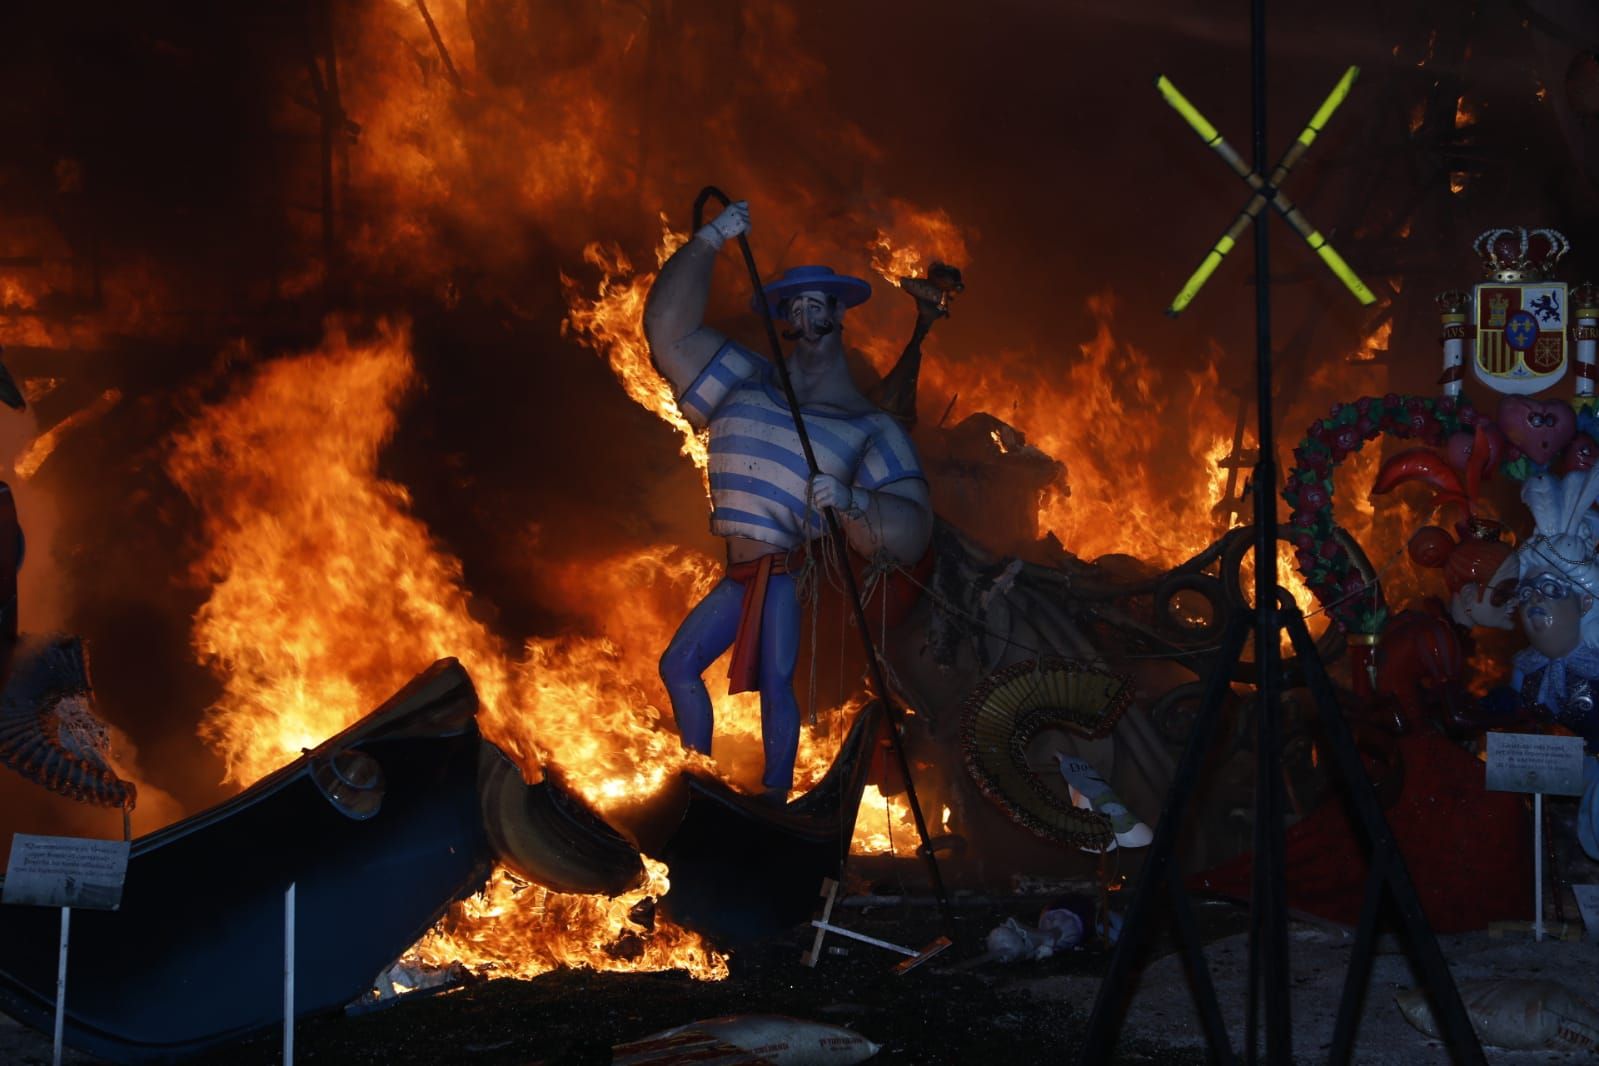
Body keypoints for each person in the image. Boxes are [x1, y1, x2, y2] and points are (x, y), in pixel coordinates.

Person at [642, 201, 933, 801]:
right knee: (679, 665)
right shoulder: (742, 382)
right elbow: (668, 332)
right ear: (785, 320)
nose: (805, 313)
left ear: (837, 314)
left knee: (777, 684)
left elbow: (911, 529)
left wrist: (853, 500)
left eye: (816, 303)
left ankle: (775, 794)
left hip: (780, 577)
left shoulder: (868, 428)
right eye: (794, 306)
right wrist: (713, 238)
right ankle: (699, 777)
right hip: (738, 575)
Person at [1506, 469, 1599, 860]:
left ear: (1585, 603)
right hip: (1537, 791)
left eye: (1549, 590)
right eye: (1526, 593)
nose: (1534, 603)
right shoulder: (1525, 667)